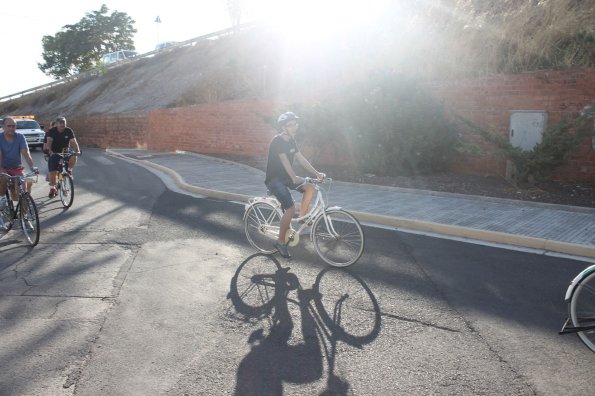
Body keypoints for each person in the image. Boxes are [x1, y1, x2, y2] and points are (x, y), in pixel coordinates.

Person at [264, 112, 325, 258]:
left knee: (310, 187)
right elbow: (284, 161)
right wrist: (294, 177)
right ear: (284, 127)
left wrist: (317, 173)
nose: (294, 127)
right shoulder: (277, 141)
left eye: (295, 124)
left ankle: (303, 217)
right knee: (290, 209)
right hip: (275, 179)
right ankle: (280, 242)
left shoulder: (291, 140)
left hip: (287, 177)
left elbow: (301, 159)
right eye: (290, 125)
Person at [0, 117, 39, 205]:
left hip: (16, 168)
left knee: (22, 193)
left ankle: (24, 215)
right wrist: (1, 169)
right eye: (9, 126)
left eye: (13, 126)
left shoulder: (20, 137)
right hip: (2, 167)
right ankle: (2, 198)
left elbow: (26, 153)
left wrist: (32, 167)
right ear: (3, 127)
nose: (11, 128)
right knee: (4, 177)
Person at [46, 116, 80, 198]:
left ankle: (69, 170)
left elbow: (73, 142)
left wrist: (77, 151)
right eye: (60, 123)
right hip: (55, 152)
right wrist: (50, 151)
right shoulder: (51, 131)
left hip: (65, 151)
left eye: (64, 123)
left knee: (74, 156)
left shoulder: (68, 131)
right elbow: (49, 142)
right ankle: (52, 188)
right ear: (56, 124)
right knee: (53, 171)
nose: (62, 125)